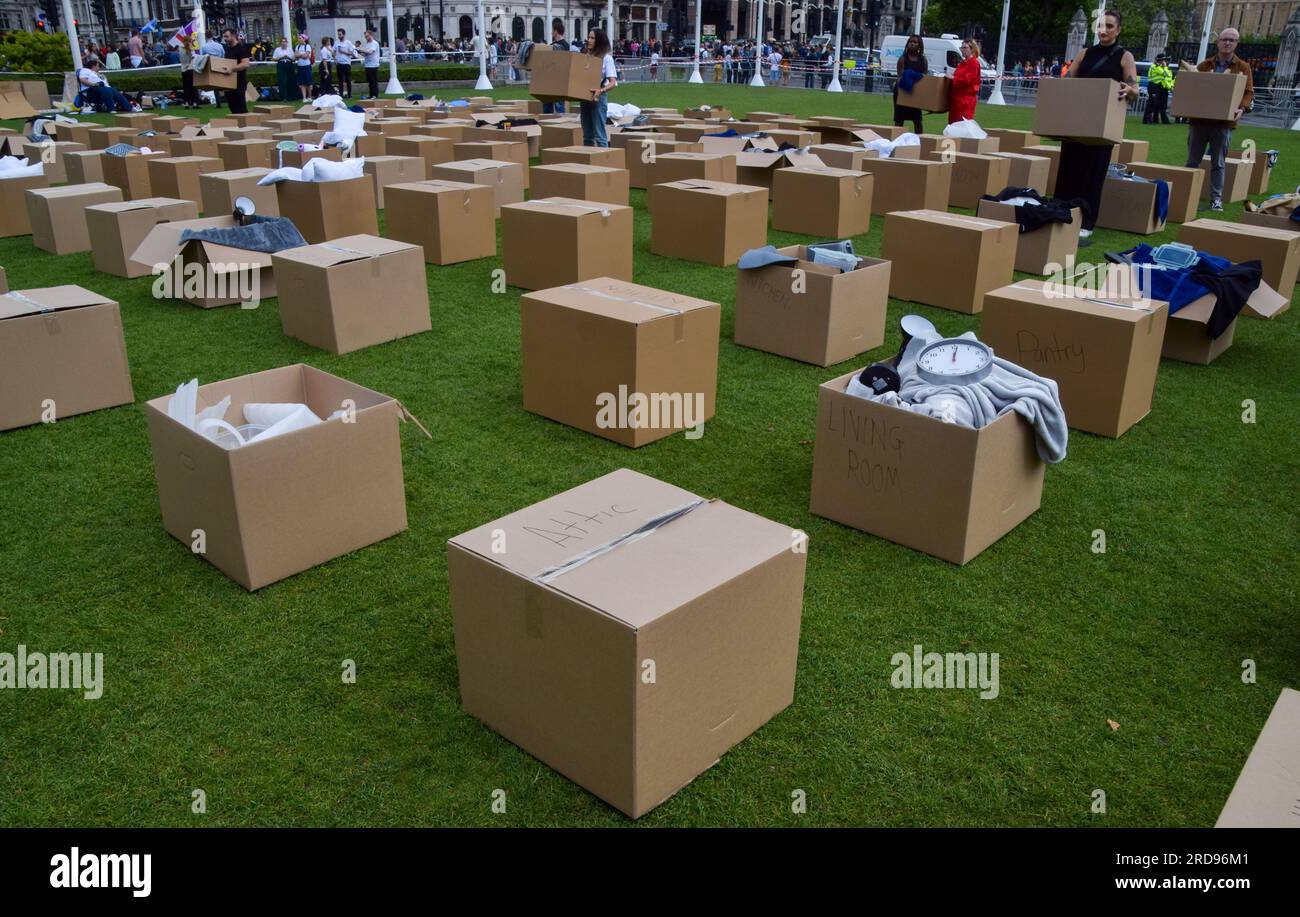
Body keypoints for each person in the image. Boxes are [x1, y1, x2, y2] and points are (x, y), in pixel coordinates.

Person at [1054, 9, 1138, 239]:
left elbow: (1134, 90)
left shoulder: (1124, 56)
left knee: (1094, 174)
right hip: (1076, 123)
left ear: (1118, 30)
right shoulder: (1084, 54)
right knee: (1068, 170)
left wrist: (1129, 89)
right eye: (1101, 25)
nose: (1105, 30)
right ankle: (1060, 212)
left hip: (1102, 128)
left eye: (1110, 26)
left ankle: (1087, 222)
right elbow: (1068, 80)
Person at [1185, 28, 1254, 212]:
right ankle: (1186, 195)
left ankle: (1216, 199)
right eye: (1225, 39)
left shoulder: (1243, 67)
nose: (1228, 43)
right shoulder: (1205, 65)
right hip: (1199, 121)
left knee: (1218, 162)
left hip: (1223, 124)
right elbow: (1192, 87)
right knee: (1192, 161)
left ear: (1237, 43)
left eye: (1232, 40)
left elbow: (1248, 92)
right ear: (1218, 42)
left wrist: (1243, 108)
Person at [579, 29, 617, 148]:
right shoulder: (585, 56)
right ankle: (589, 162)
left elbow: (613, 82)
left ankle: (603, 162)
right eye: (588, 37)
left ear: (599, 40)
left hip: (598, 97)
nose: (589, 40)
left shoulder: (606, 58)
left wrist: (601, 91)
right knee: (587, 135)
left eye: (592, 38)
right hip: (584, 97)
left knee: (599, 135)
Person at [893, 35, 927, 134]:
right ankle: (896, 142)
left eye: (915, 42)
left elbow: (924, 77)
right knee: (899, 120)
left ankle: (920, 141)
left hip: (915, 94)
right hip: (902, 92)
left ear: (919, 45)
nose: (912, 44)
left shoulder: (923, 60)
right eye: (910, 42)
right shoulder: (902, 59)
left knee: (917, 121)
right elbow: (899, 77)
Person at [949, 38, 981, 124]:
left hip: (965, 101)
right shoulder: (962, 63)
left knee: (962, 125)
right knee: (953, 125)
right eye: (962, 48)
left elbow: (967, 80)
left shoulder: (974, 63)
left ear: (972, 49)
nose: (962, 50)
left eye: (965, 47)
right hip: (956, 100)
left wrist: (953, 78)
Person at [222, 28, 253, 115]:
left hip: (239, 83)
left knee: (241, 109)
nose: (225, 39)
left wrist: (232, 69)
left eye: (227, 36)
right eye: (224, 37)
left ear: (233, 36)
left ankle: (247, 126)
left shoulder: (241, 48)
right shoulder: (228, 49)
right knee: (233, 109)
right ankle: (237, 128)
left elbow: (246, 63)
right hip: (229, 84)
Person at [542, 23, 569, 114]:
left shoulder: (564, 45)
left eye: (552, 30)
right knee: (547, 106)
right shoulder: (557, 45)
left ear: (556, 31)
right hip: (550, 80)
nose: (551, 33)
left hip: (558, 80)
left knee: (559, 107)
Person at [1144, 54, 1173, 124]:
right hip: (1153, 86)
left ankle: (1149, 120)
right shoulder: (1155, 66)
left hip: (1156, 86)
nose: (1164, 61)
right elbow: (1165, 74)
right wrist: (1165, 66)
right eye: (1163, 60)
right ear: (1159, 60)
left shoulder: (1158, 66)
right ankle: (1147, 119)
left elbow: (1167, 75)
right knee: (1151, 103)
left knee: (1154, 103)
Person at [179, 26, 200, 109]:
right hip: (191, 69)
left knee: (186, 87)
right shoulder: (191, 49)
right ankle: (195, 102)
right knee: (193, 87)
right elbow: (194, 58)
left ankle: (187, 102)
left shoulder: (180, 49)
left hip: (183, 70)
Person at [272, 37, 295, 103]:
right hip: (281, 64)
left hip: (289, 64)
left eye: (284, 42)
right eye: (282, 42)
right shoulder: (277, 49)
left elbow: (293, 59)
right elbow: (274, 59)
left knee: (290, 80)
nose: (283, 43)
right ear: (280, 43)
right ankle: (283, 97)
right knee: (282, 81)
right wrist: (281, 57)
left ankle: (290, 97)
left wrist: (288, 57)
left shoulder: (290, 49)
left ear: (287, 43)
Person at [335, 29, 356, 98]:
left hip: (346, 63)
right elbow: (333, 51)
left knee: (348, 80)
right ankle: (341, 95)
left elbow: (352, 53)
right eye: (338, 34)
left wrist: (343, 51)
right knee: (340, 80)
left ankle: (350, 95)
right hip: (339, 64)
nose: (339, 36)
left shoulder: (348, 43)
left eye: (340, 34)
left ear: (343, 34)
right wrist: (335, 59)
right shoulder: (336, 42)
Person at [361, 30, 381, 99]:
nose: (366, 38)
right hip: (367, 64)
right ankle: (371, 94)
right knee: (369, 81)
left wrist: (361, 50)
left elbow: (370, 52)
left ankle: (375, 95)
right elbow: (365, 54)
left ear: (371, 35)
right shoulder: (367, 44)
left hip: (373, 64)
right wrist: (359, 52)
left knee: (373, 81)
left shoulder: (374, 43)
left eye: (367, 36)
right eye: (365, 36)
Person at [295, 33, 315, 101]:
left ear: (304, 39)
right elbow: (296, 56)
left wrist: (300, 55)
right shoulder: (297, 46)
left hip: (307, 66)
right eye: (298, 38)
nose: (299, 39)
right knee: (302, 82)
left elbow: (306, 56)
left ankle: (309, 96)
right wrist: (302, 55)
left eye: (300, 38)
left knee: (308, 82)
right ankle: (304, 97)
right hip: (300, 66)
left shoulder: (307, 46)